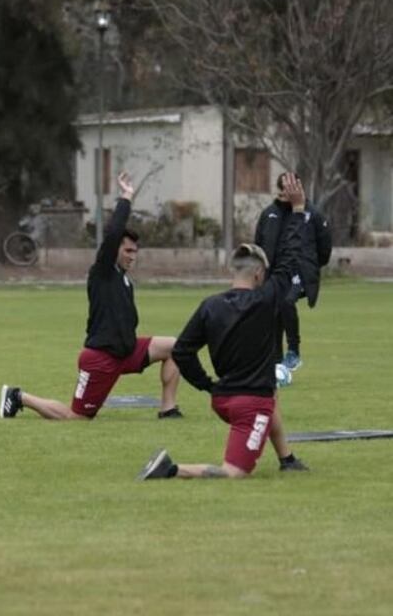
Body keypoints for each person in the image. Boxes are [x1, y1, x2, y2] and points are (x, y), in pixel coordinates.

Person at [138, 173, 311, 481]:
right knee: (234, 472)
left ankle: (288, 459)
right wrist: (298, 211)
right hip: (249, 404)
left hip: (222, 400)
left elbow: (182, 350)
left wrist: (208, 385)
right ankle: (170, 469)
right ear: (259, 274)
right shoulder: (268, 298)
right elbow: (290, 257)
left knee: (269, 393)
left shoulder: (210, 305)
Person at [0, 172, 182, 422]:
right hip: (101, 359)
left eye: (135, 251)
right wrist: (126, 196)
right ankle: (18, 396)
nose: (132, 256)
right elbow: (115, 229)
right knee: (77, 417)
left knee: (175, 347)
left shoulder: (123, 277)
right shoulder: (103, 270)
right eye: (127, 250)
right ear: (113, 249)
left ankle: (168, 409)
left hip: (125, 352)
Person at [254, 172, 332, 371]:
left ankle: (294, 351)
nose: (285, 197)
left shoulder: (312, 214)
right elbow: (259, 244)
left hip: (299, 271)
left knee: (286, 301)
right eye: (282, 193)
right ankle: (276, 361)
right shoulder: (269, 214)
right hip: (273, 272)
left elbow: (324, 248)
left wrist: (310, 267)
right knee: (274, 310)